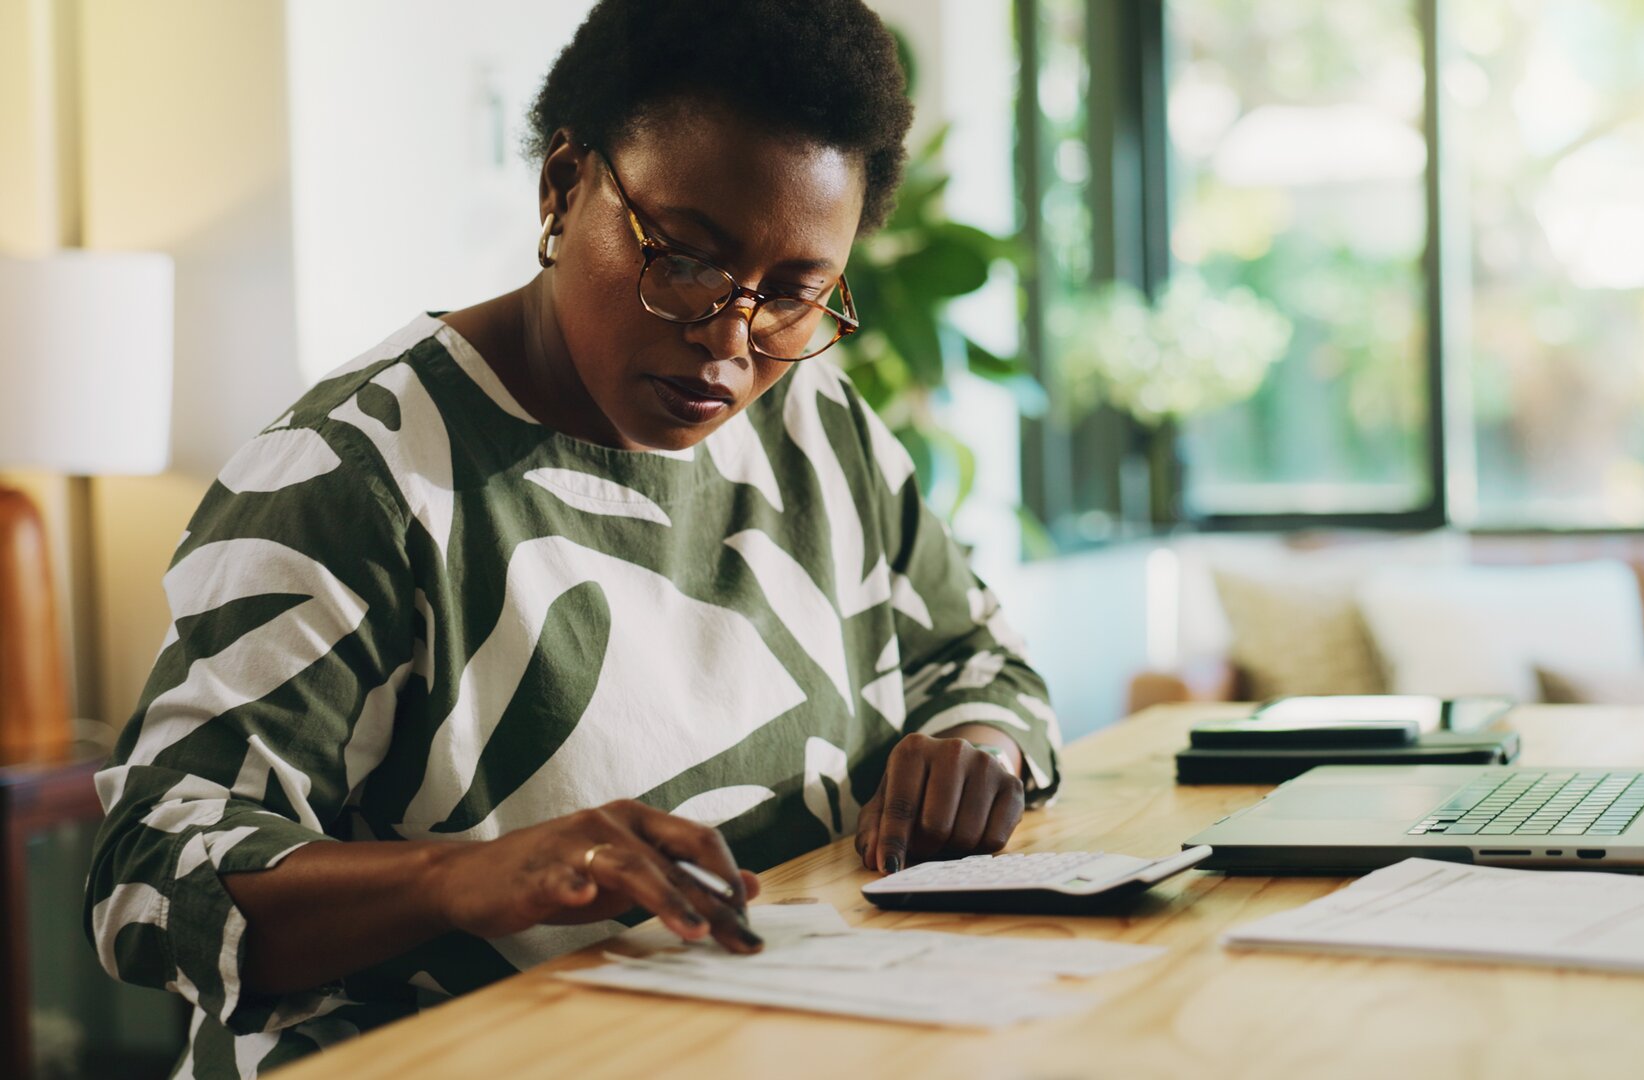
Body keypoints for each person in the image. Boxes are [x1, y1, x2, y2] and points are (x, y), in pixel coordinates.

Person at [84, 2, 1061, 1075]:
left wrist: (979, 748)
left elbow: (980, 660)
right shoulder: (359, 476)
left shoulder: (818, 427)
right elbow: (149, 873)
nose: (729, 347)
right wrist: (466, 878)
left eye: (794, 294)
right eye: (686, 259)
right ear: (562, 187)